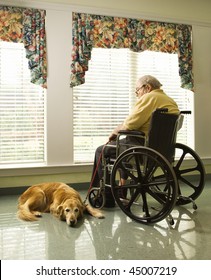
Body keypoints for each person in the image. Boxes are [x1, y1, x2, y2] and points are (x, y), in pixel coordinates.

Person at [90, 75, 180, 207]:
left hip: (143, 148)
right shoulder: (170, 101)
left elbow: (129, 124)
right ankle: (122, 190)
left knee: (102, 151)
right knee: (122, 147)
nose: (137, 95)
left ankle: (107, 196)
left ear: (147, 87)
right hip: (161, 151)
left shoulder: (149, 97)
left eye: (137, 90)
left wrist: (113, 133)